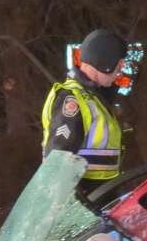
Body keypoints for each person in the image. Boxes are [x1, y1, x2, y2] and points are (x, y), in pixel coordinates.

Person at [41, 28, 129, 191]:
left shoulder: (96, 98)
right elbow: (58, 162)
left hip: (99, 199)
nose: (121, 70)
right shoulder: (72, 99)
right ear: (105, 62)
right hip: (83, 205)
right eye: (119, 63)